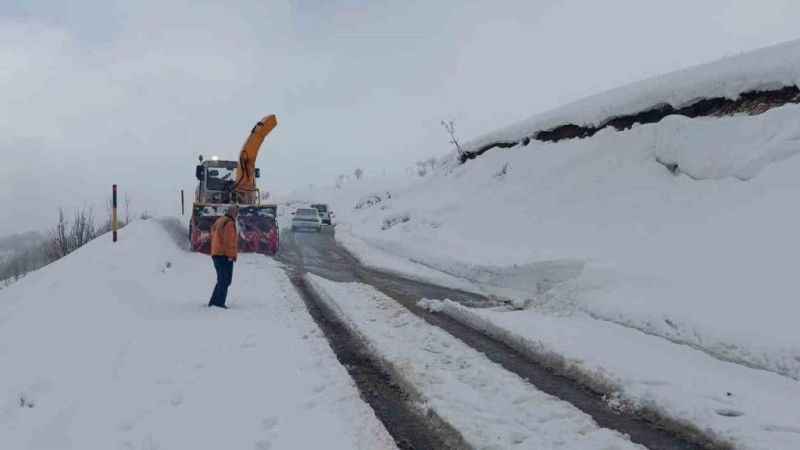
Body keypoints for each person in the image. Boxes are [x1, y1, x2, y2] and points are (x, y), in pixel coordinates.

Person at [209, 205, 239, 308]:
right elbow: (229, 242)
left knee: (222, 280)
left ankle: (214, 301)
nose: (237, 215)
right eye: (236, 213)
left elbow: (212, 231)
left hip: (216, 253)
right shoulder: (229, 223)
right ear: (232, 213)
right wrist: (231, 256)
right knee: (225, 280)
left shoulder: (220, 220)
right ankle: (219, 303)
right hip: (224, 255)